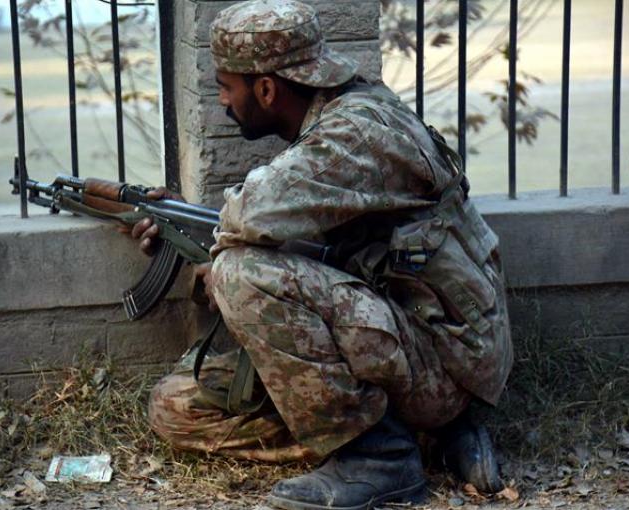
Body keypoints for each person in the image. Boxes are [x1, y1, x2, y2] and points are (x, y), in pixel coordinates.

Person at [130, 1, 513, 508]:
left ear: (267, 89)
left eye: (226, 86)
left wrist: (195, 228)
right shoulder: (339, 114)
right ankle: (418, 435)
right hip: (399, 339)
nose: (221, 100)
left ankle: (377, 458)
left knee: (239, 273)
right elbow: (296, 234)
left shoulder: (353, 135)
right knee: (175, 407)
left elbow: (249, 217)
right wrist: (188, 227)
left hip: (441, 361)